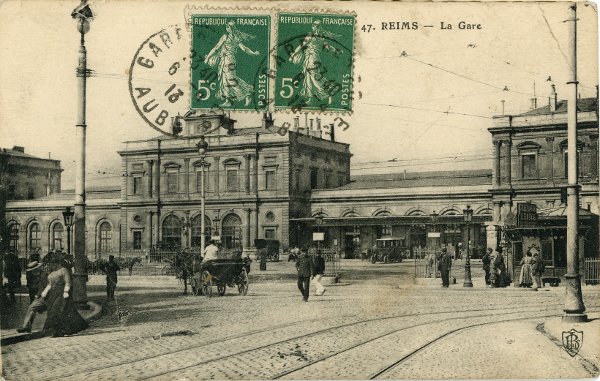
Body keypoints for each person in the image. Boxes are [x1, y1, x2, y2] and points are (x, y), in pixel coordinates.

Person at [204, 20, 260, 107]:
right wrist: (253, 53)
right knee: (225, 79)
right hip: (227, 59)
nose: (226, 28)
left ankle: (247, 94)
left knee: (231, 79)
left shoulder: (225, 37)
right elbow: (245, 49)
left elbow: (216, 48)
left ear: (231, 28)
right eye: (226, 27)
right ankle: (228, 100)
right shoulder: (236, 38)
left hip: (228, 60)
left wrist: (207, 57)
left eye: (228, 27)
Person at [289, 20, 343, 105]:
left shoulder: (310, 35)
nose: (313, 27)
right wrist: (336, 50)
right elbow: (327, 47)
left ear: (315, 27)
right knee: (308, 78)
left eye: (314, 26)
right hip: (314, 59)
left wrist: (293, 55)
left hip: (311, 58)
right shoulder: (322, 37)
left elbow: (301, 46)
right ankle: (311, 99)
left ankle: (328, 93)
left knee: (314, 78)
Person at [39, 251, 88, 337]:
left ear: (56, 263)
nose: (50, 266)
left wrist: (66, 292)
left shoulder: (63, 270)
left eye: (51, 264)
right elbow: (50, 284)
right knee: (52, 311)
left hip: (61, 293)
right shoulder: (51, 273)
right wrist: (45, 291)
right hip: (52, 294)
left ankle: (58, 331)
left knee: (58, 311)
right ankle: (53, 331)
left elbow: (68, 282)